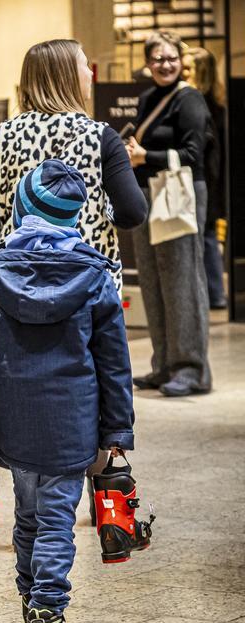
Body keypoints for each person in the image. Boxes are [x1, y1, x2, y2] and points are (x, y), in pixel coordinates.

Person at [0, 160, 135, 623]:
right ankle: (47, 603)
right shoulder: (95, 277)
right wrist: (117, 430)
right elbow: (115, 364)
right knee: (57, 519)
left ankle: (28, 594)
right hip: (73, 426)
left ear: (21, 209)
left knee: (30, 515)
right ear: (73, 216)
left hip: (15, 425)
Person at [0, 39, 147, 393]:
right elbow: (133, 212)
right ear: (67, 76)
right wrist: (102, 209)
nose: (90, 73)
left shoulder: (3, 136)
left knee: (22, 381)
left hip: (18, 286)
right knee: (95, 385)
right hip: (87, 286)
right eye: (84, 65)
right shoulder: (101, 138)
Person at [125, 30, 213, 397]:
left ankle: (191, 369)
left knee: (181, 283)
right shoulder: (148, 98)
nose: (165, 64)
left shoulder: (189, 99)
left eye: (171, 58)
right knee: (154, 282)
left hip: (178, 194)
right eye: (158, 59)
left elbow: (194, 155)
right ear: (147, 63)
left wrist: (147, 157)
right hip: (148, 195)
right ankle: (163, 365)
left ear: (182, 60)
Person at [182, 46, 227, 310]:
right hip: (209, 180)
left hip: (205, 181)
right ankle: (214, 292)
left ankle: (214, 292)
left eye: (188, 68)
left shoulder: (200, 106)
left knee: (206, 235)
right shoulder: (214, 104)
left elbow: (210, 155)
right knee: (206, 234)